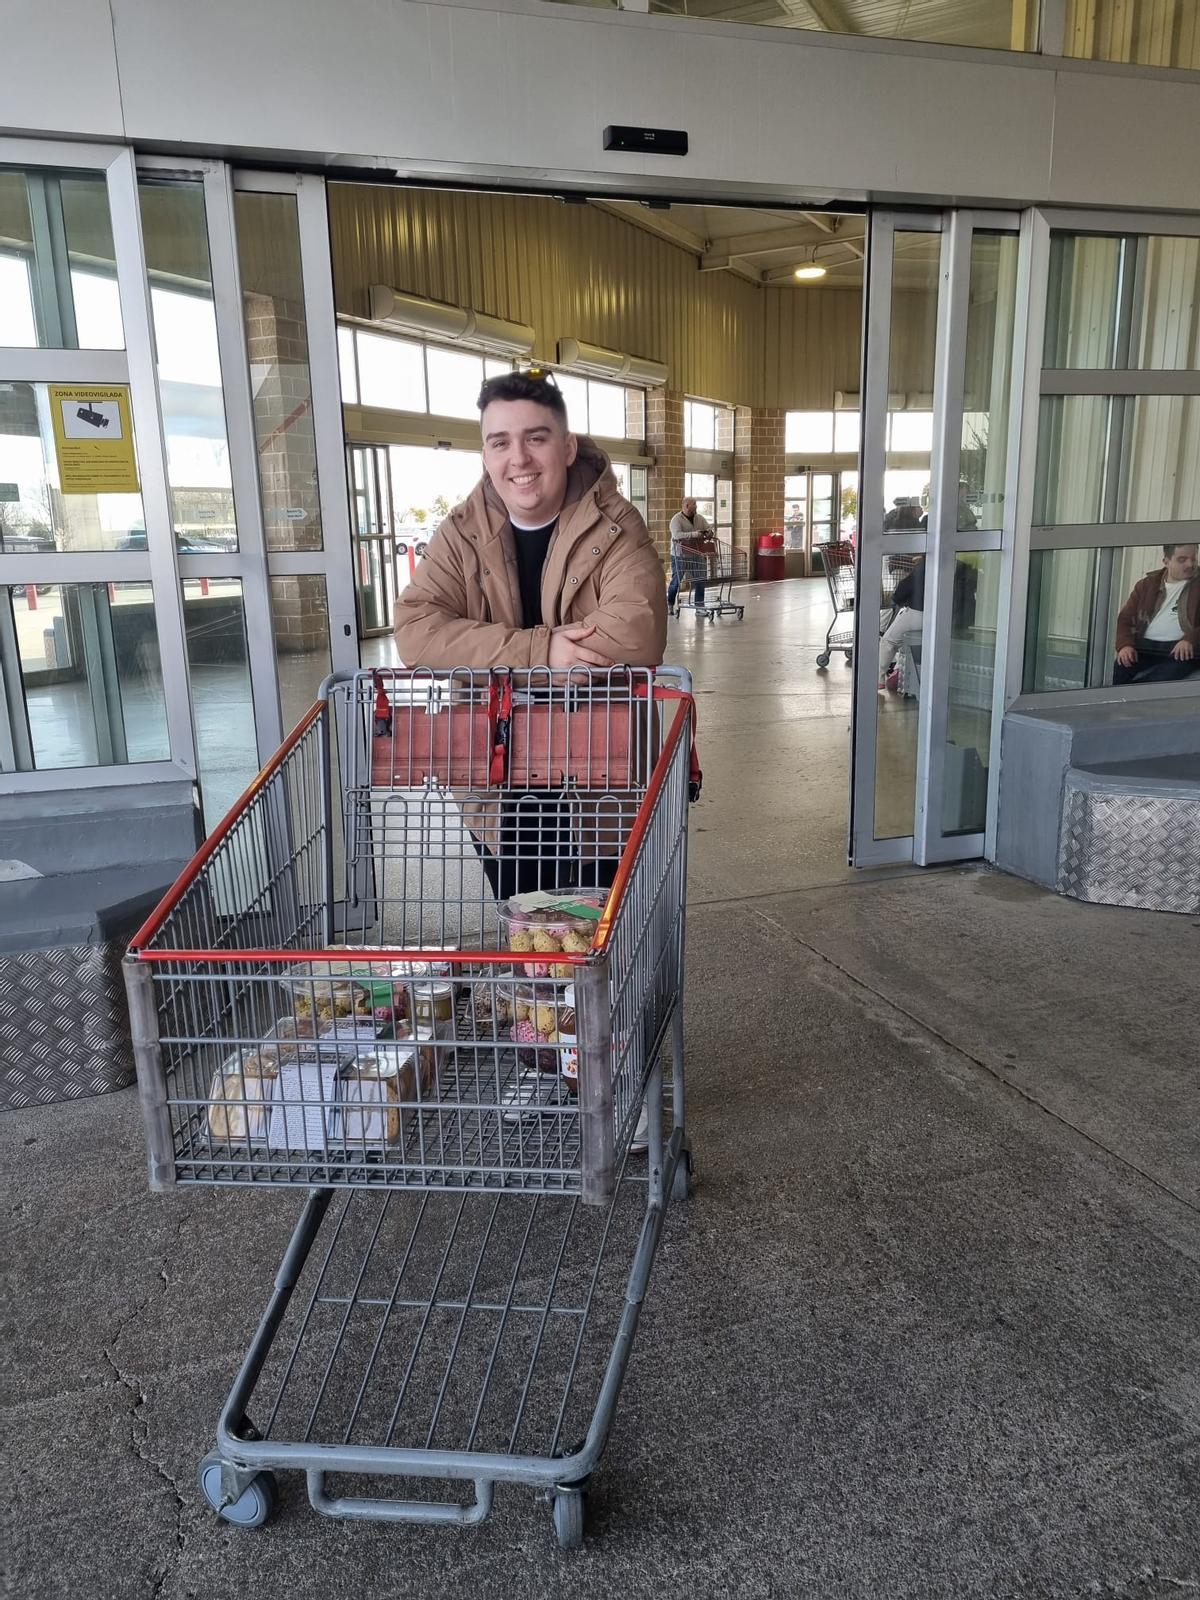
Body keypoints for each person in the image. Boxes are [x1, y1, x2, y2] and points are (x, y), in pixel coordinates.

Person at [393, 368, 667, 902]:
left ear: (566, 448)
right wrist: (544, 651)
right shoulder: (461, 532)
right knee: (523, 926)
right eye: (500, 442)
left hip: (595, 768)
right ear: (485, 455)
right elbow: (415, 631)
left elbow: (636, 635)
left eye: (535, 438)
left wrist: (481, 649)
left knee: (597, 935)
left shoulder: (616, 525)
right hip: (499, 772)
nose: (517, 459)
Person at [1113, 543, 1200, 685]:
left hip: (1184, 650)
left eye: (1194, 559)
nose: (1190, 564)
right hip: (1144, 646)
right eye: (1182, 560)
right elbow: (1125, 619)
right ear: (1166, 561)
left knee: (1156, 682)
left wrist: (1190, 639)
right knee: (1116, 675)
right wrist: (1125, 645)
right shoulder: (1147, 585)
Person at [667, 497, 715, 616]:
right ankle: (670, 604)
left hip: (696, 554)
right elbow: (677, 535)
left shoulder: (699, 518)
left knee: (699, 580)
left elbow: (708, 528)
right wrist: (694, 534)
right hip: (680, 555)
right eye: (694, 504)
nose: (696, 506)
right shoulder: (676, 519)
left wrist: (709, 533)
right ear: (687, 506)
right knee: (676, 582)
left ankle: (699, 606)